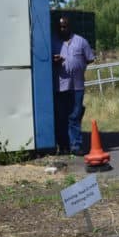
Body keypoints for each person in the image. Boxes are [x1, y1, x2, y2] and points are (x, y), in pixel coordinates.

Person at [52, 16, 95, 155]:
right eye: (60, 26)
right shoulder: (53, 41)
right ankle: (63, 146)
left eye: (65, 26)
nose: (62, 29)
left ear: (70, 26)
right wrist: (55, 61)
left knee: (75, 116)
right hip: (60, 86)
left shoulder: (81, 41)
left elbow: (89, 59)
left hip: (77, 86)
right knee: (61, 117)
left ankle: (76, 146)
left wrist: (78, 66)